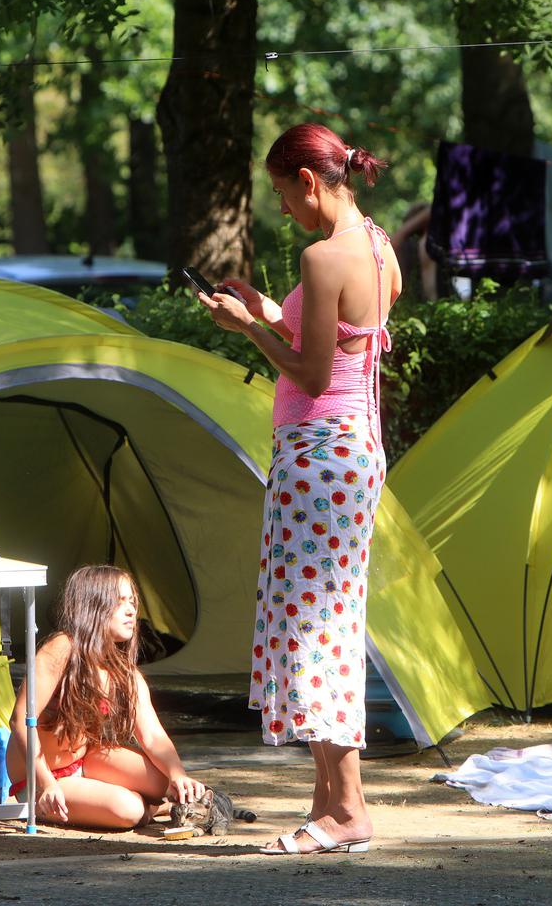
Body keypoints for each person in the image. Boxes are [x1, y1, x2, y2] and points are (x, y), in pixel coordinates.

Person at [197, 122, 400, 856]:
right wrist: (267, 313)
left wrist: (242, 330)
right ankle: (327, 803)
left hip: (319, 452)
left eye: (284, 195)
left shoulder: (324, 257)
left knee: (317, 630)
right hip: (354, 451)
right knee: (318, 622)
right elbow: (342, 346)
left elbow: (310, 376)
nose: (285, 210)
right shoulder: (379, 247)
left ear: (309, 182)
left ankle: (348, 808)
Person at [4, 564, 206, 830]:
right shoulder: (62, 648)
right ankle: (149, 807)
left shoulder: (122, 670)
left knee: (164, 782)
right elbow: (21, 721)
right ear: (93, 606)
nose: (132, 610)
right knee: (128, 809)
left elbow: (152, 735)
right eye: (120, 602)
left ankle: (162, 801)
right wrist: (47, 783)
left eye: (132, 602)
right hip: (41, 778)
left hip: (87, 761)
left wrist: (178, 774)